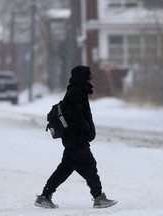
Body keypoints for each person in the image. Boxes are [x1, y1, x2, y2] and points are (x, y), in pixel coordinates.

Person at [34, 65, 117, 209]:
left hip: (73, 139)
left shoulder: (77, 91)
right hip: (76, 139)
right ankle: (98, 197)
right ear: (82, 77)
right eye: (88, 77)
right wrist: (87, 129)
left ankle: (45, 196)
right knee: (90, 166)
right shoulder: (76, 93)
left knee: (65, 168)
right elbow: (76, 116)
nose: (91, 80)